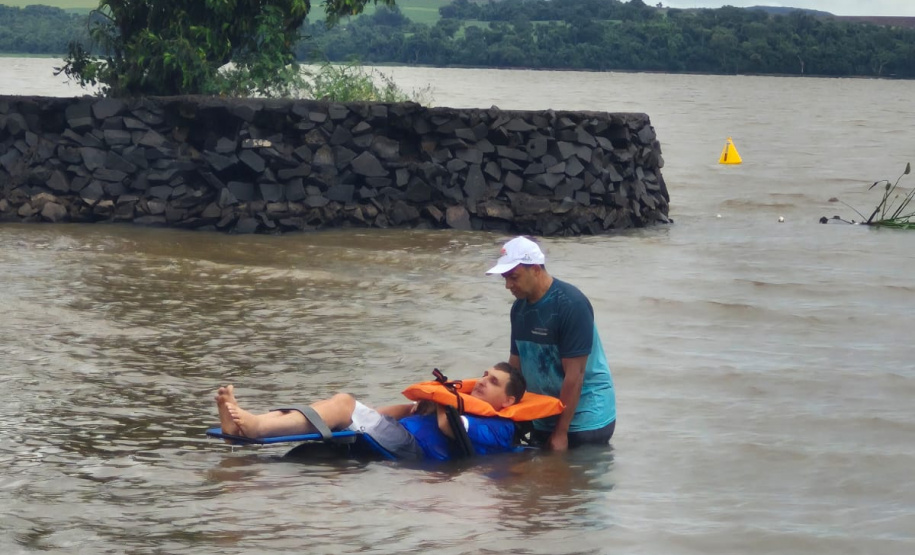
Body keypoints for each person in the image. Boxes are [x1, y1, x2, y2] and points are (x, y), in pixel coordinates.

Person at [214, 363, 527, 461]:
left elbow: (448, 428)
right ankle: (246, 425)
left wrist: (444, 400)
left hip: (412, 449)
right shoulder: (457, 404)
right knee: (341, 407)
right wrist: (418, 405)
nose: (483, 382)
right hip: (398, 433)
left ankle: (255, 427)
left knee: (344, 404)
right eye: (484, 376)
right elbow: (395, 411)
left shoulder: (501, 427)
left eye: (493, 382)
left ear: (508, 400)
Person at [486, 236, 615, 451]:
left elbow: (575, 376)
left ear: (535, 269)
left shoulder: (571, 305)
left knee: (568, 481)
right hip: (543, 413)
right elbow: (514, 368)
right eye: (505, 278)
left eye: (513, 277)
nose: (508, 285)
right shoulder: (519, 309)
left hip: (585, 418)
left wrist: (561, 431)